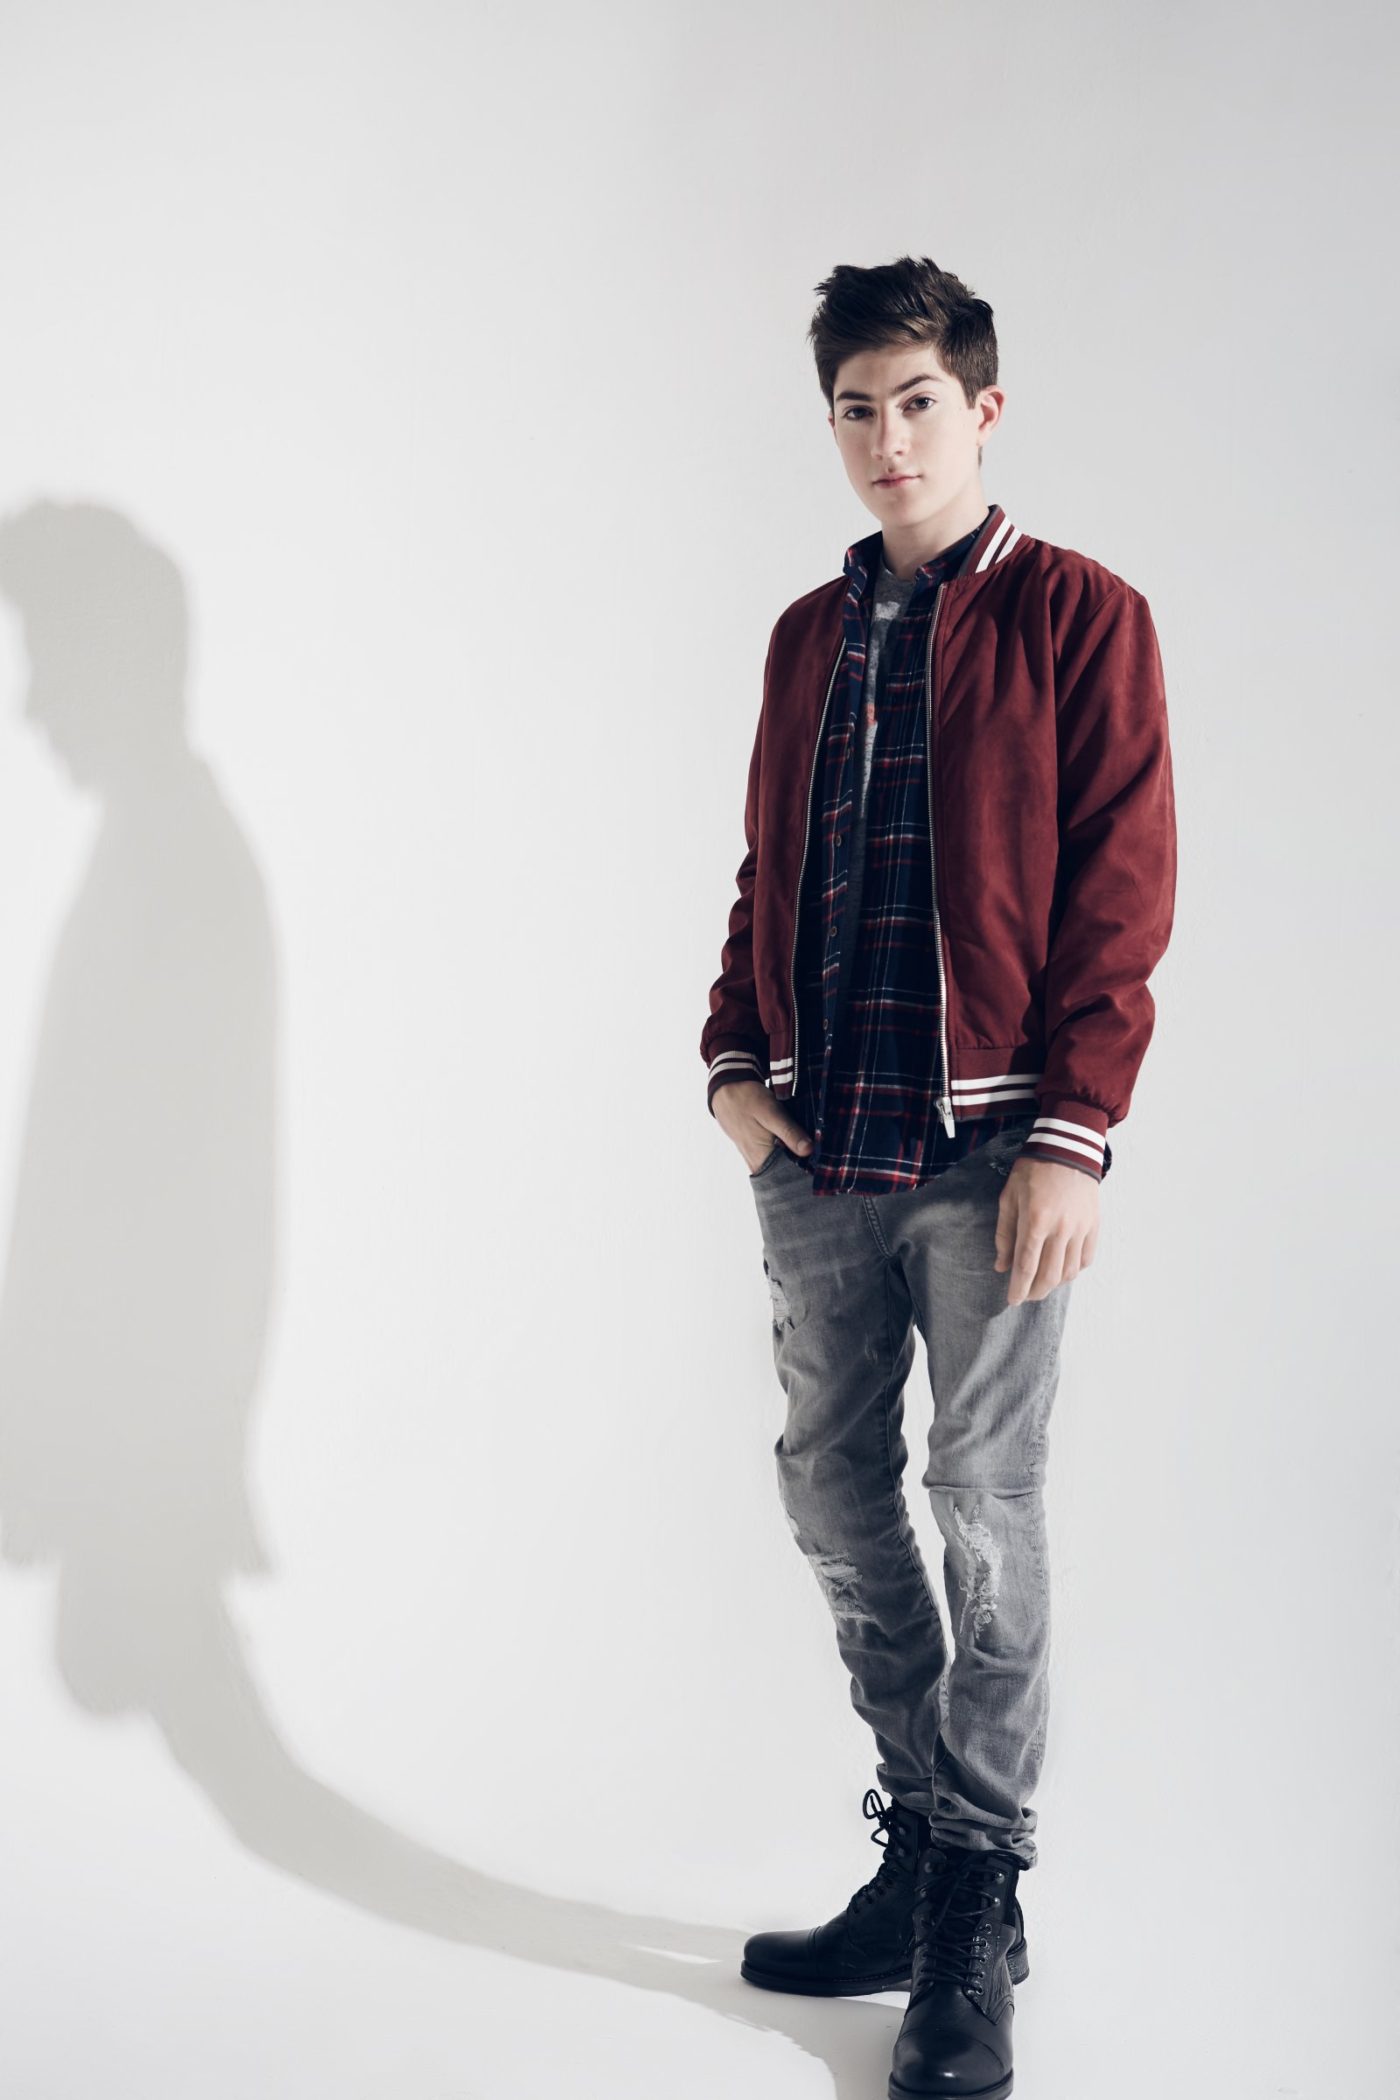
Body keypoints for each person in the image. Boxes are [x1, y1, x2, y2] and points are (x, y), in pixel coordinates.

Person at [699, 255, 1177, 2100]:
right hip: (819, 1143)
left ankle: (979, 1892)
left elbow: (1122, 889)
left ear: (983, 409)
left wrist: (1074, 1131)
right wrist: (733, 1067)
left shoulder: (1081, 616)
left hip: (994, 1152)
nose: (885, 438)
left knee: (982, 1499)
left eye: (916, 402)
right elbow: (766, 864)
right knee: (831, 1489)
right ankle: (922, 1843)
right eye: (854, 408)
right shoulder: (804, 639)